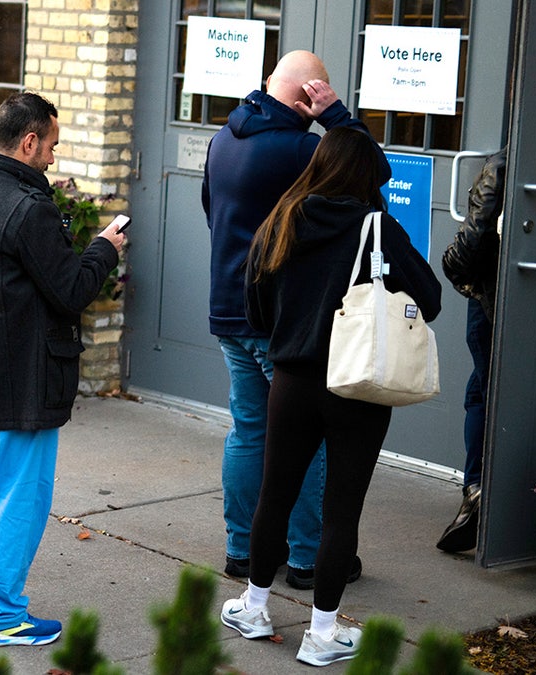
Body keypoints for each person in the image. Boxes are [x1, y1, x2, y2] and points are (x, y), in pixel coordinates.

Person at [221, 127, 441, 666]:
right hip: (357, 386)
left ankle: (254, 605)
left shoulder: (282, 218)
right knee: (342, 509)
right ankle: (322, 634)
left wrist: (291, 336)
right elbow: (430, 299)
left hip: (291, 380)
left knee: (275, 494)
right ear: (365, 179)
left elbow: (255, 304)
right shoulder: (378, 229)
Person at [0, 91, 125, 648]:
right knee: (19, 493)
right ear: (29, 142)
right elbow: (72, 290)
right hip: (23, 377)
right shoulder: (27, 208)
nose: (54, 159)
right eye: (52, 146)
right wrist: (104, 248)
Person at [201, 50, 385, 589]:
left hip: (228, 307)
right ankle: (308, 559)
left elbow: (212, 211)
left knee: (250, 432)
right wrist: (339, 118)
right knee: (308, 441)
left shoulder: (224, 138)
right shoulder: (304, 147)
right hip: (282, 320)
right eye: (321, 92)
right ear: (311, 94)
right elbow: (372, 177)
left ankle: (243, 550)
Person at [437, 147, 507, 553]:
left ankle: (478, 490)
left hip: (493, 294)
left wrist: (453, 265)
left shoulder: (503, 162)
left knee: (483, 392)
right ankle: (478, 489)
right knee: (483, 390)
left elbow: (477, 233)